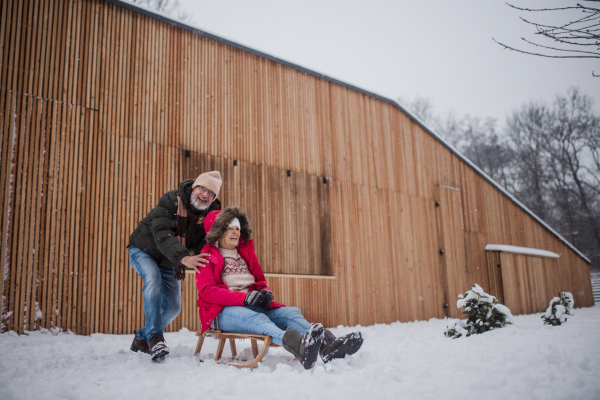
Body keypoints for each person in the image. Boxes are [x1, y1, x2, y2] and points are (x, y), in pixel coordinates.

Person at [196, 206, 363, 369]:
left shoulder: (245, 253)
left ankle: (329, 346)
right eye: (229, 228)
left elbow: (260, 281)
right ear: (217, 232)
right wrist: (244, 298)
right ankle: (300, 348)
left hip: (253, 305)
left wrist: (265, 292)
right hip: (222, 312)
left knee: (291, 313)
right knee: (260, 321)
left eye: (237, 228)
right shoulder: (207, 256)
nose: (235, 232)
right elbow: (208, 292)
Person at [128, 171, 222, 361]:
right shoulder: (171, 200)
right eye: (202, 188)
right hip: (144, 250)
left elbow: (203, 244)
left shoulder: (209, 218)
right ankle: (155, 338)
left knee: (173, 308)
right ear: (193, 188)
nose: (204, 194)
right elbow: (162, 233)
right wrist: (184, 257)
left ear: (213, 199)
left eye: (210, 193)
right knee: (152, 278)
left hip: (169, 260)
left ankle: (141, 337)